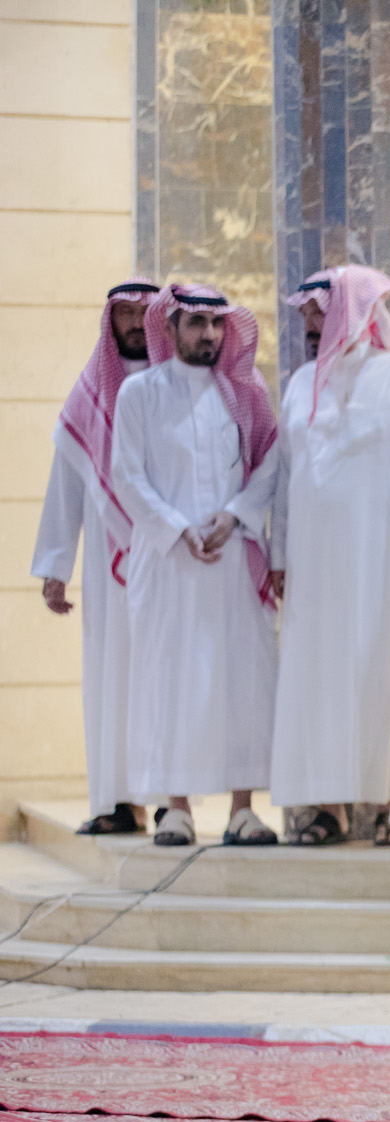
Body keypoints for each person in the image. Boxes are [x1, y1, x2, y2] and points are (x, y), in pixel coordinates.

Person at [267, 265, 390, 847]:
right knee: (318, 679)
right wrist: (278, 555)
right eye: (308, 313)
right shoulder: (300, 385)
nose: (311, 323)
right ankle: (327, 809)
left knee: (384, 673)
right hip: (312, 570)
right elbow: (285, 479)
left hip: (385, 563)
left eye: (321, 309)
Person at [108, 284, 281, 847]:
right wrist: (178, 529)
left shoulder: (245, 393)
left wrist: (235, 516)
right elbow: (126, 475)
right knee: (170, 680)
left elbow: (270, 463)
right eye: (196, 323)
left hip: (232, 563)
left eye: (216, 324)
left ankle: (242, 811)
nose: (209, 334)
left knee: (242, 682)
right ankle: (176, 808)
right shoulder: (139, 393)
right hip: (167, 565)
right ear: (170, 327)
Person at [33, 277, 157, 836]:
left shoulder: (174, 387)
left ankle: (170, 800)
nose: (133, 323)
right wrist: (55, 567)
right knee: (111, 678)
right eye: (123, 313)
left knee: (163, 675)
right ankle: (116, 802)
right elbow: (66, 487)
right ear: (110, 321)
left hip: (166, 557)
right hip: (110, 570)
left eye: (142, 312)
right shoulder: (89, 395)